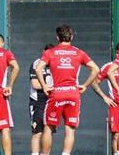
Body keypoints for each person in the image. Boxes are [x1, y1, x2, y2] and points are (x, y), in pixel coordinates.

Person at [34, 24, 100, 155]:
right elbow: (96, 69)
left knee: (49, 127)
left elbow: (38, 68)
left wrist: (44, 86)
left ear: (57, 37)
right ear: (72, 37)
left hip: (57, 92)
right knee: (70, 129)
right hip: (73, 93)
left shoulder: (50, 52)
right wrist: (85, 85)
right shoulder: (79, 52)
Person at [29, 44, 53, 155]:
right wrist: (47, 87)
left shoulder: (56, 63)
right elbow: (34, 84)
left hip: (52, 100)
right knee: (37, 132)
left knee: (48, 132)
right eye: (46, 54)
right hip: (38, 101)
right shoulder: (36, 63)